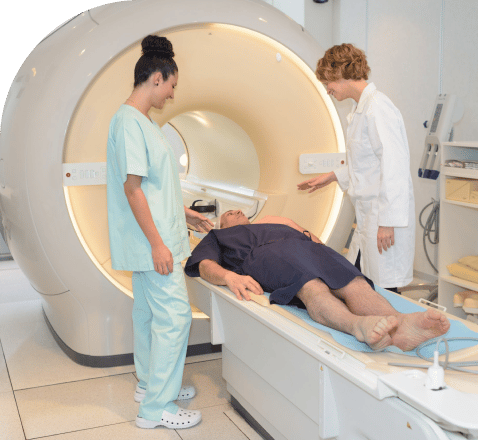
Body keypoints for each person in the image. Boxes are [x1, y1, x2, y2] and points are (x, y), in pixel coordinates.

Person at [107, 35, 213, 430]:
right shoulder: (130, 123)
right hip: (153, 242)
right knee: (176, 318)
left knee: (150, 314)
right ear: (156, 77)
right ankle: (157, 409)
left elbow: (152, 187)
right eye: (171, 85)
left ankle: (151, 382)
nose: (171, 94)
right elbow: (132, 189)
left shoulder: (139, 121)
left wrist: (184, 212)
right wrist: (158, 243)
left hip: (156, 235)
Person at [185, 210, 449, 352]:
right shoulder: (222, 237)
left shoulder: (281, 223)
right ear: (219, 224)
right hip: (266, 254)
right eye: (230, 213)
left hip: (308, 247)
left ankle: (401, 326)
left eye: (240, 211)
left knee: (352, 280)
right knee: (312, 285)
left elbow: (315, 241)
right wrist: (230, 277)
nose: (237, 211)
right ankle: (357, 325)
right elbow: (205, 265)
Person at [298, 43, 415, 293]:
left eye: (327, 83)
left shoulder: (378, 109)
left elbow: (394, 169)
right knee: (366, 282)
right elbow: (365, 166)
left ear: (339, 74)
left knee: (385, 289)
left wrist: (387, 223)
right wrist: (331, 177)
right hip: (369, 218)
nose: (328, 90)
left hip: (382, 220)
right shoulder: (360, 109)